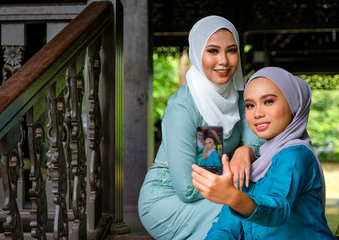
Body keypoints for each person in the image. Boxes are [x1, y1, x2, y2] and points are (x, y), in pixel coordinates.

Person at [138, 15, 264, 240]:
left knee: (250, 209)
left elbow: (256, 135)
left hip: (214, 191)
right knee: (241, 210)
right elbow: (187, 189)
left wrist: (247, 150)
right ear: (197, 53)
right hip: (167, 199)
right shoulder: (184, 107)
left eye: (232, 50)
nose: (223, 61)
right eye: (213, 51)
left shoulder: (239, 95)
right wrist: (232, 184)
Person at [192, 66, 336, 239]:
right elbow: (226, 228)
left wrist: (232, 196)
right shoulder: (252, 164)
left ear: (293, 103)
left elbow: (278, 209)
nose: (258, 113)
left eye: (268, 101)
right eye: (250, 105)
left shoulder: (295, 154)